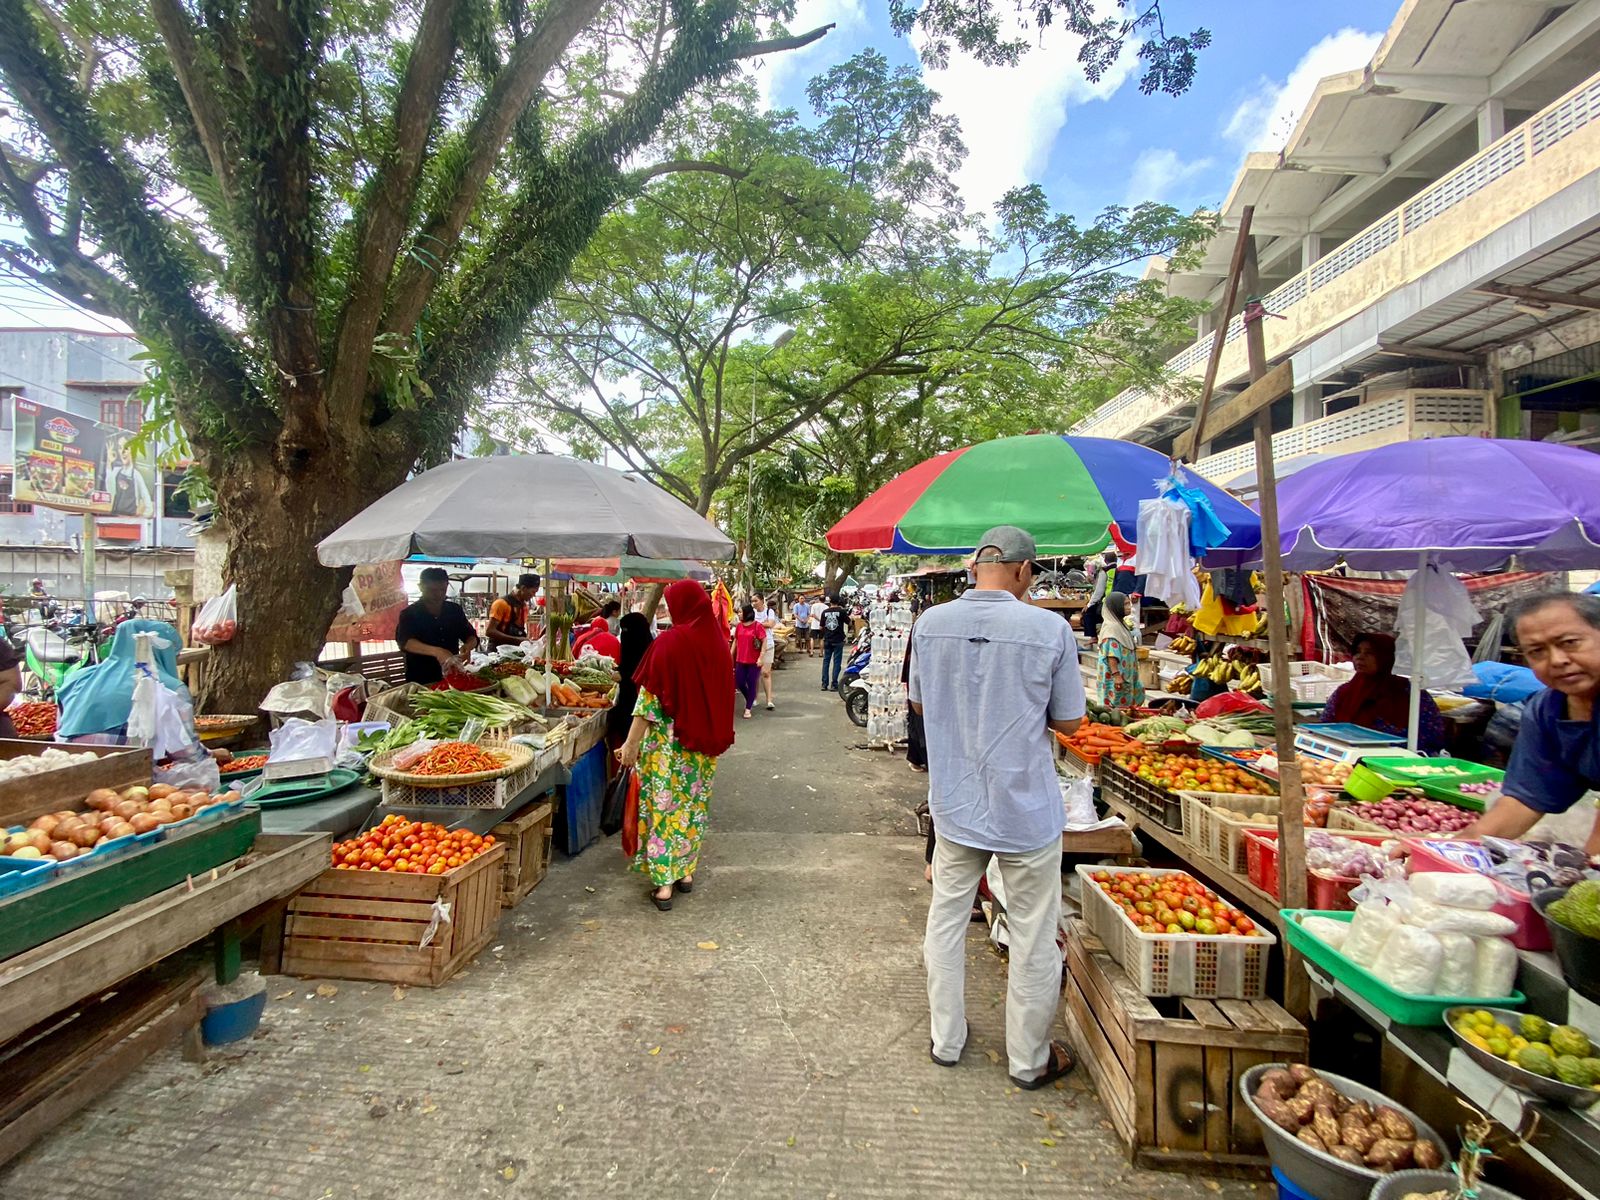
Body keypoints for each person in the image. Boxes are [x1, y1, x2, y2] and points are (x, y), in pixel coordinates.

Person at [909, 525, 1084, 1089]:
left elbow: (916, 703)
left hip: (957, 804)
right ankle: (1028, 1060)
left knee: (946, 919)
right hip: (1025, 809)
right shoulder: (1049, 628)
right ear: (1024, 570)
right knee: (1032, 932)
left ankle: (945, 1039)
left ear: (976, 566)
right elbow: (1070, 723)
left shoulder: (930, 625)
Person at [617, 581, 735, 911]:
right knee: (691, 810)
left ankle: (664, 884)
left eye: (670, 604)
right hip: (702, 750)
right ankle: (685, 873)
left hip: (668, 750)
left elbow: (647, 704)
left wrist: (629, 745)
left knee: (663, 810)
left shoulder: (669, 643)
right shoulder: (718, 645)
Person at [1465, 592, 1600, 854]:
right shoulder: (1547, 710)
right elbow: (1524, 801)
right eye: (1537, 651)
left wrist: (1589, 869)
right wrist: (1444, 849)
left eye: (1570, 642)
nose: (1557, 660)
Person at [57, 619, 185, 740]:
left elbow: (60, 726)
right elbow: (185, 748)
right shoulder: (170, 688)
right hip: (128, 758)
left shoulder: (76, 678)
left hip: (66, 756)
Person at [1320, 632, 1445, 752]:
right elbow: (1325, 727)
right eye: (1357, 652)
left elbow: (1431, 736)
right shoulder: (1345, 692)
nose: (1360, 657)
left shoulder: (1411, 694)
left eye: (1369, 653)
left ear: (1386, 657)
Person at [395, 567, 478, 684]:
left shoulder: (454, 610)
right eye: (432, 590)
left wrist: (468, 646)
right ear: (421, 587)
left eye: (442, 590)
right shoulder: (409, 613)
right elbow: (406, 642)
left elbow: (471, 635)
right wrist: (437, 651)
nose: (438, 594)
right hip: (421, 677)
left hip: (452, 676)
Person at [607, 613, 654, 750]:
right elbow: (629, 663)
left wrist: (624, 676)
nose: (624, 634)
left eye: (626, 630)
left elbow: (638, 671)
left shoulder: (647, 649)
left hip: (639, 704)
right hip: (630, 702)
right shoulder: (647, 644)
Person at [1096, 591, 1146, 708]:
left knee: (1129, 701)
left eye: (1129, 604)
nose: (1129, 608)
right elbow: (1111, 655)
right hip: (1116, 675)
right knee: (1116, 704)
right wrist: (1116, 675)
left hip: (1126, 673)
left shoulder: (1120, 624)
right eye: (1125, 605)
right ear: (1116, 607)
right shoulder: (1111, 628)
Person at [486, 574, 540, 647]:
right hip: (497, 651)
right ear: (523, 588)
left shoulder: (524, 606)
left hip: (514, 650)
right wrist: (516, 639)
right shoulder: (501, 604)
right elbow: (490, 631)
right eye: (533, 592)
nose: (534, 595)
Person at [732, 604, 765, 719]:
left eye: (740, 612)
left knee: (751, 684)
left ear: (747, 613)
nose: (739, 614)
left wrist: (761, 657)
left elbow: (763, 641)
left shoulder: (757, 626)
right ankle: (750, 699)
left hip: (754, 661)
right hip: (740, 660)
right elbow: (735, 641)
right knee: (739, 682)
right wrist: (730, 655)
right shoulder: (739, 627)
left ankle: (748, 708)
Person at [107, 436, 154, 518]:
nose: (122, 452)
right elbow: (109, 489)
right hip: (116, 517)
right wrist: (109, 462)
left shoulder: (136, 475)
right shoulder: (116, 471)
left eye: (126, 448)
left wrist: (142, 517)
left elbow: (147, 500)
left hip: (131, 519)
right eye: (120, 448)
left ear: (132, 450)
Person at [1081, 551, 1114, 639]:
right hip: (1114, 598)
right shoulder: (1115, 569)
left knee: (1087, 612)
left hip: (1106, 600)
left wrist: (1089, 604)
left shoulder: (1103, 572)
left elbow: (1099, 592)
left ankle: (1093, 637)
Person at [754, 594, 779, 711]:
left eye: (756, 600)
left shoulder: (770, 611)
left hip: (768, 644)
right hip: (754, 646)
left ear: (762, 601)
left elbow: (770, 624)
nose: (754, 603)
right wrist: (763, 624)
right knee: (755, 673)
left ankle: (769, 700)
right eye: (752, 601)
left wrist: (757, 624)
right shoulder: (752, 612)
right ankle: (754, 698)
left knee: (766, 672)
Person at [819, 594, 849, 691]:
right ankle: (834, 684)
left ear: (830, 601)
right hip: (838, 640)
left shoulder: (824, 612)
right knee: (837, 662)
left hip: (827, 639)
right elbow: (849, 622)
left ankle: (824, 684)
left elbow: (821, 627)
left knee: (826, 662)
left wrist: (825, 634)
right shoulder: (842, 611)